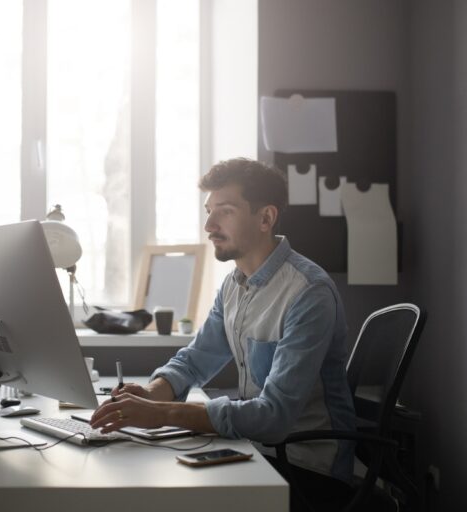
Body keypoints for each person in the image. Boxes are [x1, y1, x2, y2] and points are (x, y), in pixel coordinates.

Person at [91, 157, 356, 510]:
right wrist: (155, 393)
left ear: (266, 218)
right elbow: (195, 359)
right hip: (257, 451)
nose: (209, 225)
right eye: (208, 211)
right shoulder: (233, 285)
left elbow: (274, 417)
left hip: (308, 469)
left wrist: (162, 414)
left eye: (225, 211)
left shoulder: (308, 293)